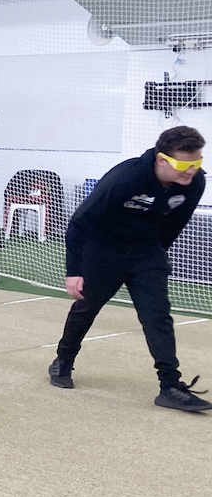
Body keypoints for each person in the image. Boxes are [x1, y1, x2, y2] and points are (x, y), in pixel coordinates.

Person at [49, 126, 211, 412]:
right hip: (103, 250)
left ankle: (170, 386)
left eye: (197, 163)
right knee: (87, 308)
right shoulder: (127, 177)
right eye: (185, 165)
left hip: (146, 253)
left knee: (157, 316)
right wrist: (74, 270)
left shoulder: (195, 183)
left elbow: (176, 223)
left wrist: (155, 255)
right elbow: (80, 222)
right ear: (162, 160)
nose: (191, 171)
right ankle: (64, 360)